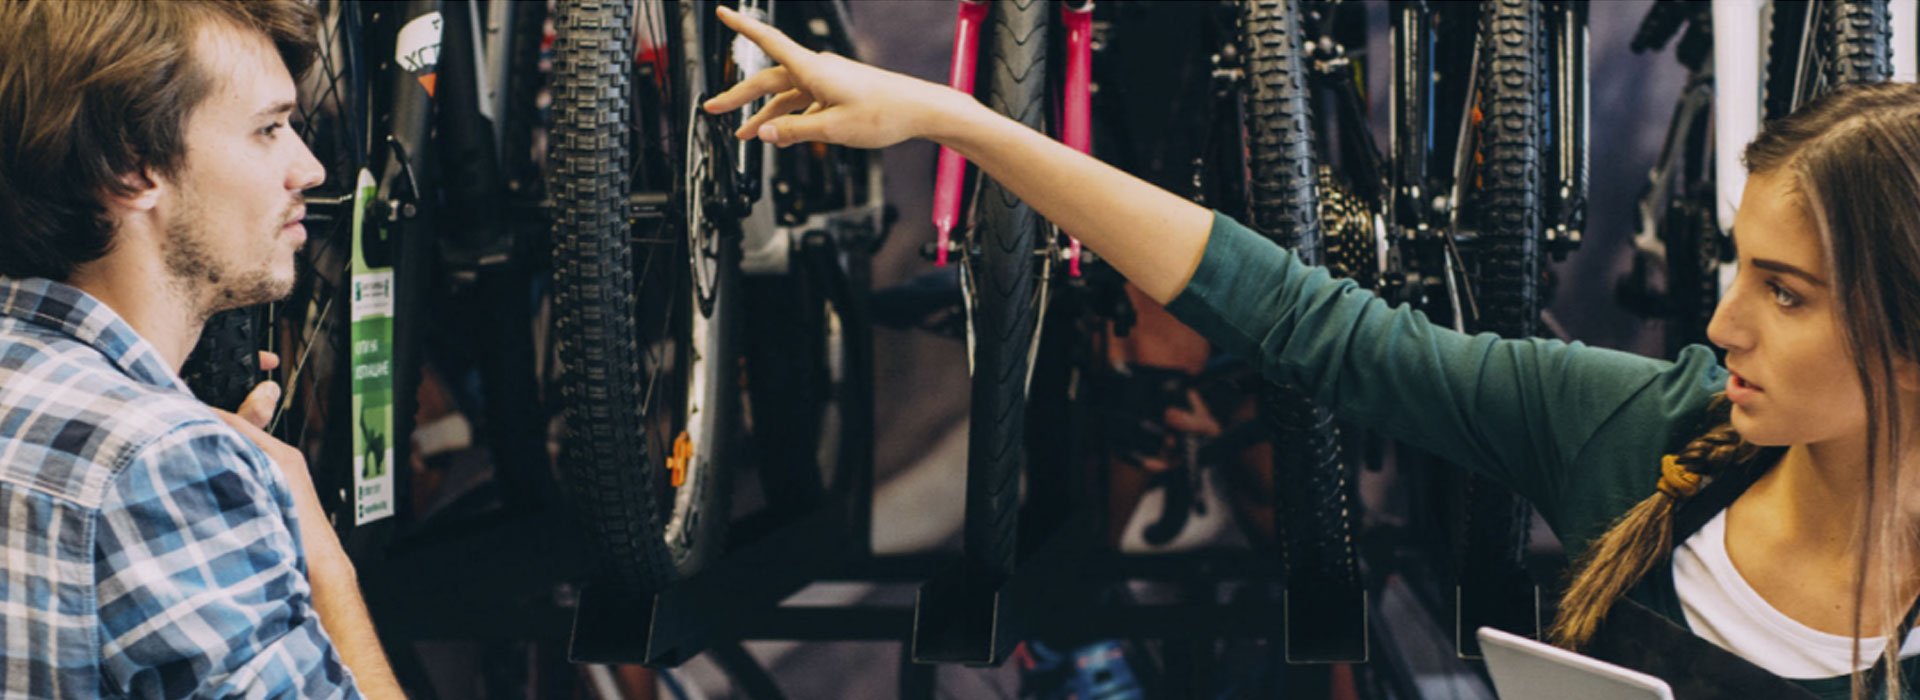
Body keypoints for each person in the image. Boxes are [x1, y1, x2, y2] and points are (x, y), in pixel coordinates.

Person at [704, 6, 1920, 698]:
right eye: (1738, 271)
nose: (1724, 326)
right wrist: (962, 122)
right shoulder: (1647, 434)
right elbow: (1303, 318)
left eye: (1786, 294)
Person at [0, 2, 402, 697]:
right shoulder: (156, 461)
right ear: (131, 168)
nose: (309, 169)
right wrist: (322, 562)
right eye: (269, 129)